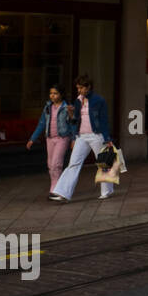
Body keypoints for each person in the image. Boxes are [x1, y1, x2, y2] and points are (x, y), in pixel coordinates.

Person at [51, 74, 116, 202]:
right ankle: (62, 193)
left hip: (96, 135)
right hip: (81, 136)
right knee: (73, 163)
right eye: (78, 88)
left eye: (81, 88)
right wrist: (71, 114)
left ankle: (107, 191)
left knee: (104, 163)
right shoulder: (78, 100)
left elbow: (104, 120)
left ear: (88, 87)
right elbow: (75, 121)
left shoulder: (99, 100)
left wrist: (107, 138)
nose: (79, 90)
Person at [26, 85, 76, 196]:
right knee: (50, 164)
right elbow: (41, 123)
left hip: (62, 138)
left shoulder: (67, 107)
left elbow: (73, 124)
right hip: (50, 138)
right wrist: (32, 139)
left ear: (61, 94)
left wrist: (73, 139)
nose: (52, 96)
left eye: (55, 93)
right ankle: (55, 186)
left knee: (56, 164)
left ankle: (56, 189)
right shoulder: (48, 107)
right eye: (51, 93)